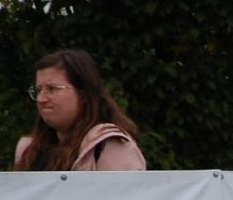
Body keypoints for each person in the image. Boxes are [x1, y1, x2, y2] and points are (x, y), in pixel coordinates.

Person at [13, 48, 146, 172]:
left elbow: (126, 196)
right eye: (39, 90)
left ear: (82, 94)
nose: (41, 99)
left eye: (53, 89)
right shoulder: (29, 151)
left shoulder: (108, 146)